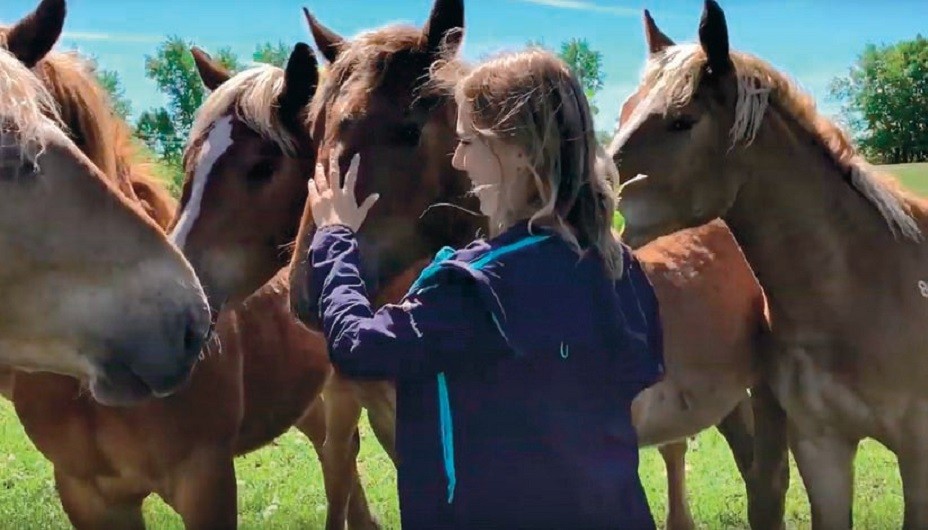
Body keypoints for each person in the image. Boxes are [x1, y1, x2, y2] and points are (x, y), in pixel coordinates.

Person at [303, 48, 664, 529]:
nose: (458, 159)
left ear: (518, 152)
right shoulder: (619, 268)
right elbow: (635, 386)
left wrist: (334, 240)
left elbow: (357, 347)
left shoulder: (477, 286)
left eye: (468, 141)